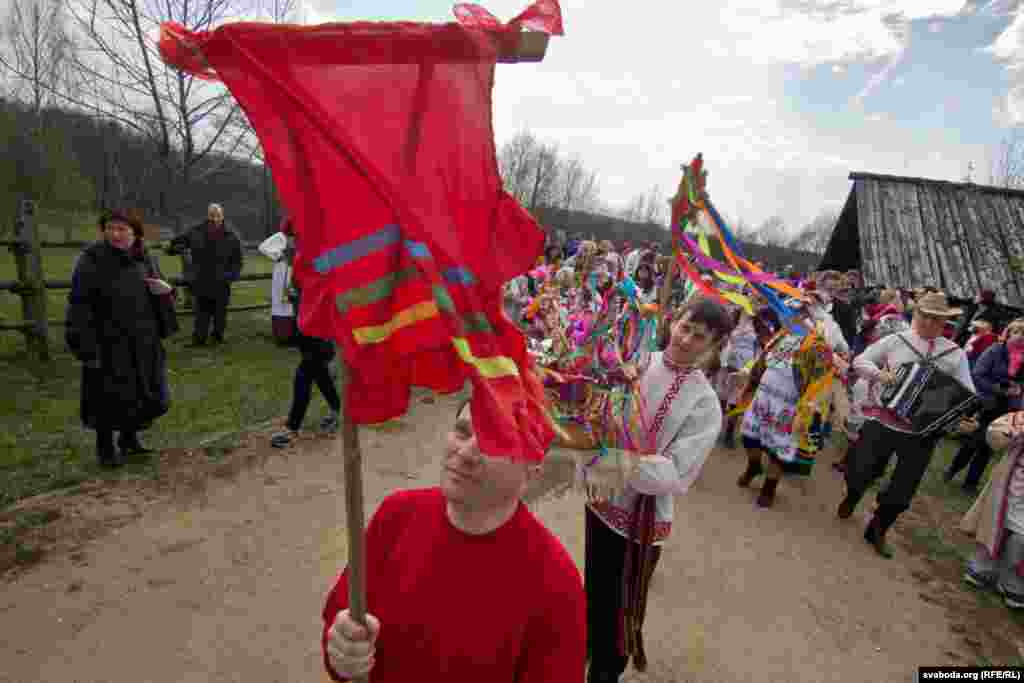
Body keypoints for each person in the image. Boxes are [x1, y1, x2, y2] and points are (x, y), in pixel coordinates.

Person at [321, 398, 586, 682]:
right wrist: (343, 651)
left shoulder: (556, 583)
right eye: (463, 431)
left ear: (532, 470)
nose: (467, 451)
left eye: (495, 441)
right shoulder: (396, 517)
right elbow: (341, 621)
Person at [586, 298, 730, 683]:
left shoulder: (704, 404)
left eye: (699, 337)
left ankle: (605, 672)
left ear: (713, 346)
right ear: (672, 321)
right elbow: (598, 409)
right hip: (601, 500)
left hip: (640, 520)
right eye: (684, 327)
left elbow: (675, 476)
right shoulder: (637, 362)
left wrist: (617, 460)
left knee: (622, 609)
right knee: (595, 587)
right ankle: (585, 646)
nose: (686, 340)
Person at [839, 292, 976, 558]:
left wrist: (960, 419)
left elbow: (966, 393)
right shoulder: (896, 340)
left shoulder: (955, 354)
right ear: (916, 316)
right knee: (860, 469)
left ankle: (878, 528)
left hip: (922, 431)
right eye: (924, 316)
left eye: (936, 319)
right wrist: (881, 375)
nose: (928, 322)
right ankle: (853, 494)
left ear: (944, 323)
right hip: (882, 420)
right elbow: (861, 360)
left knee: (903, 490)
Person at [65, 209, 175, 466]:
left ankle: (129, 439)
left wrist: (166, 291)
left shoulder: (145, 258)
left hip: (142, 339)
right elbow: (79, 304)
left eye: (122, 229)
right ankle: (105, 449)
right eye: (110, 228)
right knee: (106, 395)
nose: (115, 234)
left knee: (139, 391)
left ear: (135, 234)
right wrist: (84, 344)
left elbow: (161, 290)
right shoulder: (91, 260)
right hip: (106, 340)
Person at [736, 291, 849, 508]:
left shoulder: (818, 345)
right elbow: (763, 360)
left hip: (790, 405)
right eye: (791, 311)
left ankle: (769, 487)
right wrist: (748, 379)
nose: (790, 315)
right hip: (764, 398)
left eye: (797, 312)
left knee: (779, 449)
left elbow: (831, 371)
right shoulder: (782, 334)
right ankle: (754, 466)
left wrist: (810, 406)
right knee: (749, 437)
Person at [270, 244, 342, 447]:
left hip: (319, 328)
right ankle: (338, 410)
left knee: (305, 374)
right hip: (306, 325)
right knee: (320, 375)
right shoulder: (303, 254)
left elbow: (322, 286)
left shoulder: (321, 254)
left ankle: (292, 428)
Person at [945, 319, 1024, 493]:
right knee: (974, 442)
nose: (1021, 338)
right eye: (1018, 333)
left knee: (989, 446)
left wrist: (1018, 391)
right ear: (1009, 333)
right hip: (986, 402)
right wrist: (1000, 389)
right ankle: (953, 469)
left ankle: (971, 483)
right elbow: (978, 375)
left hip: (1006, 408)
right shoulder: (995, 350)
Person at [959, 411, 1024, 609]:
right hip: (1010, 486)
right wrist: (1007, 435)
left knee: (1020, 539)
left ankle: (1012, 582)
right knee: (996, 526)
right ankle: (981, 569)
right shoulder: (1020, 418)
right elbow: (995, 433)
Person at [168, 203, 243, 346]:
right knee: (201, 313)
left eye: (217, 215)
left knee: (220, 313)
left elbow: (238, 260)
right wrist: (172, 246)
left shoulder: (231, 236)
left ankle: (218, 337)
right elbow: (179, 241)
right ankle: (199, 339)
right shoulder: (196, 231)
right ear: (208, 216)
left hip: (222, 281)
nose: (214, 218)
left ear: (222, 216)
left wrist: (231, 276)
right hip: (202, 278)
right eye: (212, 215)